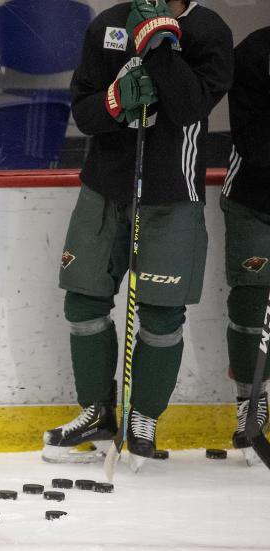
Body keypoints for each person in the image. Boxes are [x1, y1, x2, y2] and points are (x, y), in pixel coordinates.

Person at [43, 0, 232, 470]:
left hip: (172, 192)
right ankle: (97, 412)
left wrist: (161, 47)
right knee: (83, 301)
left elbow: (189, 108)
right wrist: (114, 101)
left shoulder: (209, 30)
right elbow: (84, 112)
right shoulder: (108, 23)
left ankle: (142, 417)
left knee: (161, 314)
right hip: (105, 187)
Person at [220, 26, 270, 465]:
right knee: (252, 303)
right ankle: (249, 405)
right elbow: (250, 139)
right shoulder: (255, 52)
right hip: (253, 197)